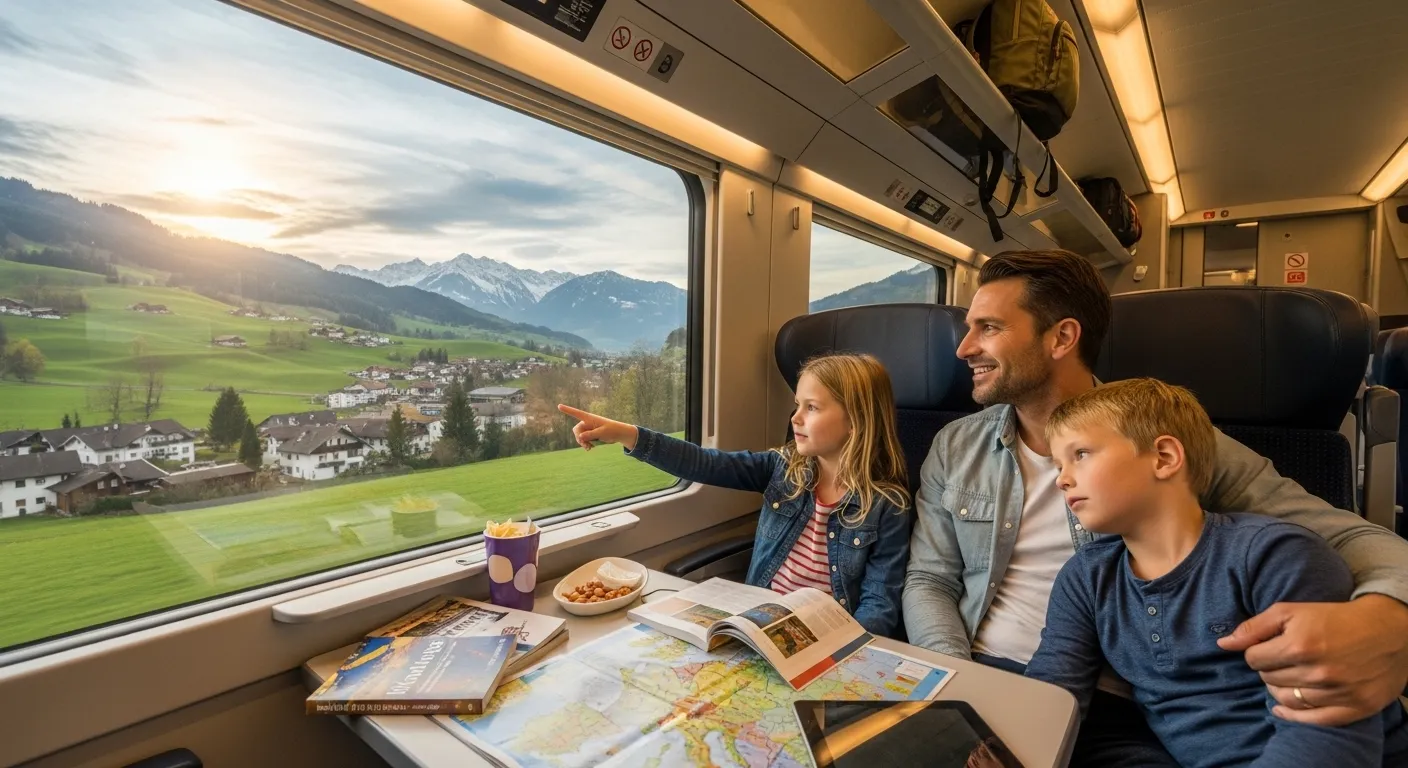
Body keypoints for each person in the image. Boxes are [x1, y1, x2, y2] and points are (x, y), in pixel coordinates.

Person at [903, 249, 1408, 765]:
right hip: (977, 665)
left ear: (1061, 337)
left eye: (988, 327)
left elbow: (1347, 538)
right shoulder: (955, 445)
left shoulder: (1156, 441)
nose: (964, 348)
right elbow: (930, 578)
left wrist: (1390, 618)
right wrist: (958, 683)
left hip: (1116, 694)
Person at [1024, 378, 1408, 767]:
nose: (1062, 479)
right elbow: (1051, 692)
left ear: (1164, 458)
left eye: (1082, 454)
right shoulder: (1086, 578)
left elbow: (1331, 742)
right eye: (1057, 465)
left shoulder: (1274, 557)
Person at [558, 353, 912, 637]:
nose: (795, 418)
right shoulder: (783, 469)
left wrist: (844, 646)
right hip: (760, 622)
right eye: (797, 404)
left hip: (824, 635)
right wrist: (629, 435)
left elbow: (878, 604)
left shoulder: (887, 506)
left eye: (812, 407)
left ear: (856, 420)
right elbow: (707, 464)